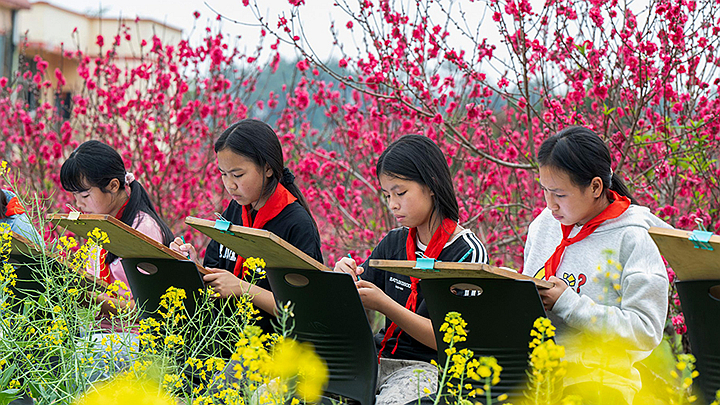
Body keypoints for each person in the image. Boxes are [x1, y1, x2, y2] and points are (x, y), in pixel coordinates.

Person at [334, 134, 488, 405]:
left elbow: (451, 342)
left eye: (401, 193)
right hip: (375, 359)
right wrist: (343, 279)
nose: (393, 204)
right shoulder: (394, 242)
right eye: (387, 195)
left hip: (428, 370)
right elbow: (355, 302)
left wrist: (384, 304)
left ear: (431, 185)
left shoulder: (467, 253)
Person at [522, 126, 670, 405]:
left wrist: (567, 303)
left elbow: (646, 331)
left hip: (598, 379)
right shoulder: (544, 225)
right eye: (545, 191)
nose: (550, 204)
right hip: (533, 371)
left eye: (559, 194)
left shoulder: (634, 236)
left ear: (595, 187)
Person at [170, 119, 323, 334]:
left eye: (238, 175)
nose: (230, 184)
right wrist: (192, 264)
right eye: (223, 174)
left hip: (271, 349)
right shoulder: (233, 211)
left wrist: (244, 289)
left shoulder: (296, 224)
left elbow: (305, 310)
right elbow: (217, 278)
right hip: (224, 339)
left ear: (268, 168)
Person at [61, 139, 175, 378]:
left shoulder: (143, 230)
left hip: (138, 340)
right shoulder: (103, 222)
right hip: (103, 334)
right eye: (74, 196)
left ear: (113, 185)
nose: (78, 204)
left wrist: (93, 300)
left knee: (81, 357)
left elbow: (150, 310)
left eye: (84, 194)